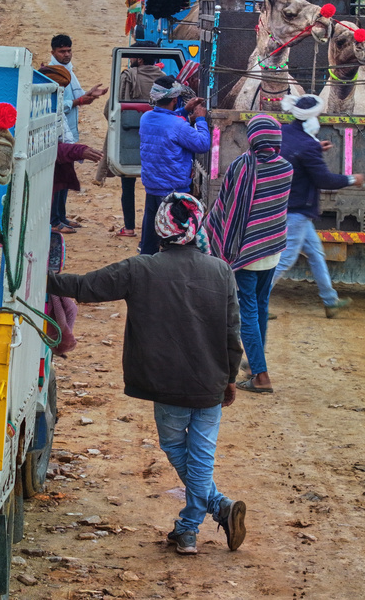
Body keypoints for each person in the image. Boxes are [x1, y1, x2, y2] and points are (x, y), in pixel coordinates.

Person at [47, 193, 246, 556]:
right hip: (210, 383)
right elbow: (233, 331)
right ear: (196, 226)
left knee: (175, 447)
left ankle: (194, 526)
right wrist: (231, 377)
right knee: (201, 456)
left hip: (166, 385)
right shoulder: (221, 271)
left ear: (160, 229)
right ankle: (206, 514)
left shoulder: (140, 269)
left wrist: (40, 278)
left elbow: (85, 286)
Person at [206, 115, 293, 394]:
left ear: (253, 137)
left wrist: (211, 231)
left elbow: (228, 209)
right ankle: (257, 363)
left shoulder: (243, 166)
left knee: (247, 312)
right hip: (272, 249)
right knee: (261, 307)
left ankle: (261, 375)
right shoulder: (285, 168)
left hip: (246, 253)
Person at [274, 94, 363, 318]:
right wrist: (352, 179)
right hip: (297, 211)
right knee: (284, 260)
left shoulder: (285, 133)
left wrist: (315, 148)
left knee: (315, 253)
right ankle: (250, 305)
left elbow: (295, 155)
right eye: (319, 116)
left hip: (289, 206)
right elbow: (324, 180)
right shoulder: (308, 146)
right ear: (311, 120)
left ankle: (330, 301)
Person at [98, 41, 166, 238]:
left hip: (129, 137)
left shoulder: (127, 77)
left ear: (140, 58)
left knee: (127, 184)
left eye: (133, 57)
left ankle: (128, 227)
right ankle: (155, 229)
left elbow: (109, 109)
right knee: (154, 188)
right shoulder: (164, 80)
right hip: (157, 142)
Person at [137, 75, 209, 255]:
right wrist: (200, 119)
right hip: (174, 191)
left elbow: (166, 121)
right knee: (176, 239)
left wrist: (185, 111)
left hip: (152, 187)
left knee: (150, 237)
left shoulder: (146, 118)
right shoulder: (178, 125)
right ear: (175, 99)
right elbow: (202, 144)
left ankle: (145, 267)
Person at [39, 64, 103, 233]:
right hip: (56, 148)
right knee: (55, 185)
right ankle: (53, 220)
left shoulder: (56, 92)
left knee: (62, 184)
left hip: (65, 143)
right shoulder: (42, 101)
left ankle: (60, 217)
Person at [48, 34, 107, 149]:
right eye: (62, 51)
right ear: (53, 53)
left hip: (69, 131)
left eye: (69, 51)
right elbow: (54, 107)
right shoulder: (51, 74)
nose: (67, 54)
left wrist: (89, 94)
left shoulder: (68, 71)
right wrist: (78, 101)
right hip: (57, 133)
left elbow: (75, 96)